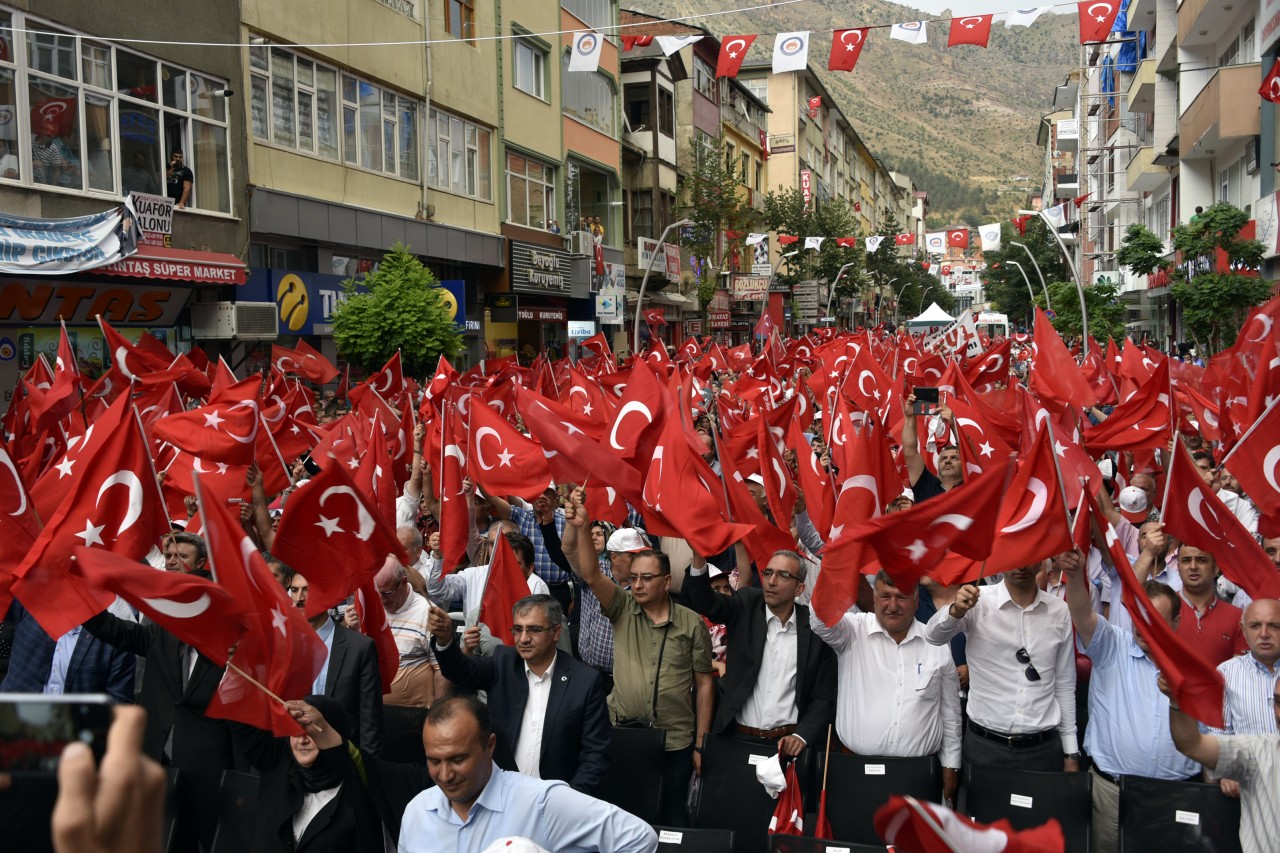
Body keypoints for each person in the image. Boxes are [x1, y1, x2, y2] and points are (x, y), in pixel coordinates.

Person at [565, 489, 713, 826]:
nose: (638, 585)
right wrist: (584, 526)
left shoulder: (691, 624)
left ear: (666, 581)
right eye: (634, 579)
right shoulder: (622, 607)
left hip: (676, 741)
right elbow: (590, 574)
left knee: (672, 820)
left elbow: (704, 686)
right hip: (625, 734)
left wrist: (701, 743)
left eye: (646, 578)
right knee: (624, 815)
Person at [1059, 549, 1199, 853]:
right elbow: (1082, 613)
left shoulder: (1195, 669)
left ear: (1176, 621)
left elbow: (1211, 734)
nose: (1145, 626)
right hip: (1113, 795)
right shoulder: (1112, 646)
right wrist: (1073, 575)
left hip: (1177, 798)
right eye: (1139, 615)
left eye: (1156, 619)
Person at [393, 695, 658, 852]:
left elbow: (639, 838)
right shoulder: (417, 812)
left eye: (458, 759)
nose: (445, 774)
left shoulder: (541, 802)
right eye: (434, 761)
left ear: (490, 746)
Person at [428, 594, 610, 794]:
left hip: (556, 800)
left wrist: (569, 800)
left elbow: (594, 756)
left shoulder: (585, 681)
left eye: (534, 629)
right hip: (499, 794)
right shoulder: (502, 662)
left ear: (556, 632)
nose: (523, 638)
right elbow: (459, 670)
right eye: (518, 629)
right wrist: (445, 641)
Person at [812, 571, 962, 807]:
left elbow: (950, 712)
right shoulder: (852, 632)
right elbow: (819, 620)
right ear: (873, 597)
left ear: (916, 599)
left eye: (901, 597)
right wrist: (834, 565)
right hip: (855, 772)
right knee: (856, 842)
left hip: (917, 777)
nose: (893, 606)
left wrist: (951, 765)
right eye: (885, 596)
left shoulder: (936, 642)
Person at [925, 563, 1080, 772]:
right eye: (1016, 555)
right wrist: (955, 611)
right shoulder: (978, 602)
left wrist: (1070, 751)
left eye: (1030, 555)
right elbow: (933, 636)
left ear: (1042, 560)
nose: (1022, 564)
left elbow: (1064, 683)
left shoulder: (1059, 611)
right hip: (985, 746)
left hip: (1042, 749)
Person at [685, 549, 836, 757]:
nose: (771, 581)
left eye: (783, 576)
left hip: (787, 746)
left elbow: (823, 697)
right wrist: (699, 559)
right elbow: (707, 603)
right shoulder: (746, 604)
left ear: (799, 588)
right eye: (767, 573)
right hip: (737, 740)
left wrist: (801, 736)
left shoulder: (815, 630)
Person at [230, 695, 383, 853]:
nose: (302, 740)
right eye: (295, 730)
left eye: (311, 732)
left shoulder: (357, 797)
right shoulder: (275, 764)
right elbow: (240, 708)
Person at [1162, 673, 1280, 853]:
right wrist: (1177, 701)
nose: (1279, 713)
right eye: (1278, 702)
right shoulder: (1258, 751)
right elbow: (1191, 744)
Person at [286, 573, 384, 755]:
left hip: (343, 759)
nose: (299, 598)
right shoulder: (281, 646)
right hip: (293, 763)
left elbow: (370, 724)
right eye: (294, 590)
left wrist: (367, 773)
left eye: (307, 590)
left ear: (327, 596)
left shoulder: (359, 649)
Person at [0, 600, 135, 704]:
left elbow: (118, 708)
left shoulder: (115, 637)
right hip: (13, 724)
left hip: (75, 734)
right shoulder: (30, 606)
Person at [362, 558, 442, 707]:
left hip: (413, 716)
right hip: (374, 711)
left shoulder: (427, 614)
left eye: (387, 593)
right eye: (377, 593)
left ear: (404, 582)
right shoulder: (371, 608)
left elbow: (441, 670)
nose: (382, 600)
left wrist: (437, 713)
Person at [1173, 545, 1247, 666]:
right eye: (1186, 560)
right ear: (1178, 567)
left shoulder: (1236, 616)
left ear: (1216, 568)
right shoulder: (1164, 609)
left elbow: (1240, 674)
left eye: (1201, 560)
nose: (1193, 567)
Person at [902, 393, 961, 502]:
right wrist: (910, 417)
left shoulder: (972, 486)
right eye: (943, 458)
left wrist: (953, 424)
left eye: (954, 458)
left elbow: (971, 457)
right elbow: (910, 451)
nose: (948, 461)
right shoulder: (926, 484)